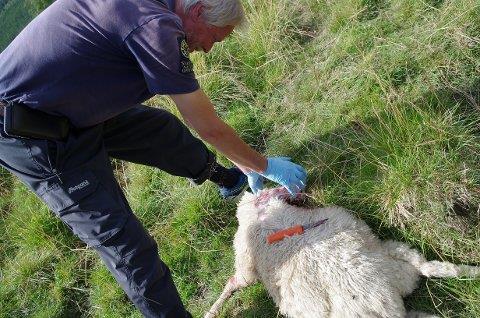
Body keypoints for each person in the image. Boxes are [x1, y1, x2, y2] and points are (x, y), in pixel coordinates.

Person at [0, 0, 307, 316]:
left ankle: (227, 178)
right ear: (198, 11)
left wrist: (245, 161)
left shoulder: (157, 9)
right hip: (32, 132)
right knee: (126, 244)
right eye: (214, 38)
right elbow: (208, 126)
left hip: (65, 102)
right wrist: (264, 165)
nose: (208, 49)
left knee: (159, 131)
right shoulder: (153, 26)